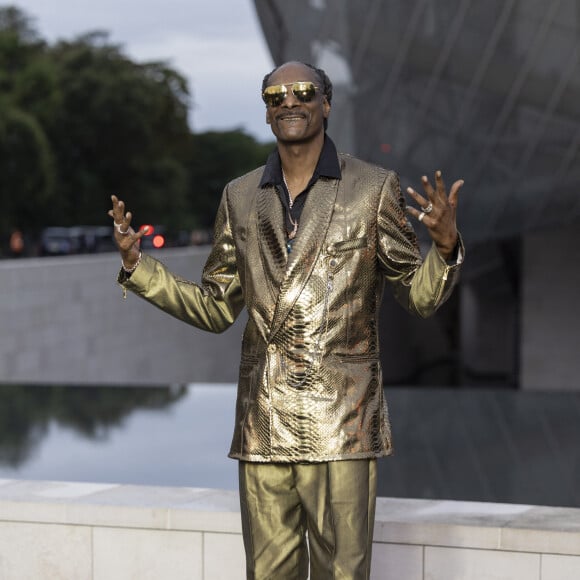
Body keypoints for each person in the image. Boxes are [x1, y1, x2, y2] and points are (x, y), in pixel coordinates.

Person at [109, 61, 464, 579]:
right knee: (268, 573)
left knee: (343, 572)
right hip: (264, 420)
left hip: (342, 422)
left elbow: (418, 295)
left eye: (303, 92)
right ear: (267, 110)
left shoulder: (373, 188)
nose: (289, 102)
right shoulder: (239, 195)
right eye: (276, 95)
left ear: (326, 103)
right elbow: (215, 306)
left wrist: (446, 245)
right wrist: (138, 269)